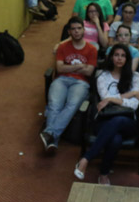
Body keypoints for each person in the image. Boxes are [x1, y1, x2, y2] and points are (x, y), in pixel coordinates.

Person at [74, 44, 139, 185]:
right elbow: (106, 100)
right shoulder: (102, 77)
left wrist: (112, 99)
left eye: (123, 56)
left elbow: (134, 105)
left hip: (128, 122)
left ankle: (86, 159)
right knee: (115, 139)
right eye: (116, 55)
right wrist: (132, 94)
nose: (119, 58)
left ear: (127, 59)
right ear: (111, 57)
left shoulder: (135, 77)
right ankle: (104, 174)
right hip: (104, 120)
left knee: (118, 121)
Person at [40, 18, 98, 152]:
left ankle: (50, 134)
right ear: (69, 31)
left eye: (79, 28)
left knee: (72, 104)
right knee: (54, 105)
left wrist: (69, 67)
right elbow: (59, 69)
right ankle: (52, 140)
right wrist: (80, 66)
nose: (76, 31)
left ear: (83, 30)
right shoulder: (63, 47)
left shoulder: (92, 49)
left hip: (81, 82)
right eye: (73, 29)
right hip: (61, 80)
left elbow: (89, 71)